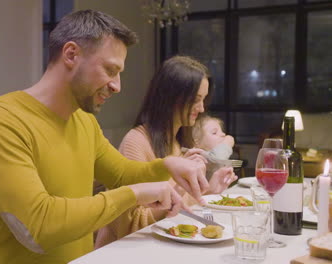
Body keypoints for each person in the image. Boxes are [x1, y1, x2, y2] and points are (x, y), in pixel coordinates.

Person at [0, 11, 209, 264]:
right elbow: (39, 227)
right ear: (71, 54)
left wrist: (167, 165)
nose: (117, 86)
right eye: (110, 70)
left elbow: (122, 173)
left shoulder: (84, 121)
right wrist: (134, 194)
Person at [95, 56, 237, 248]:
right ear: (171, 98)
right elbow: (128, 226)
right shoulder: (136, 142)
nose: (202, 108)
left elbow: (182, 210)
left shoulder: (179, 143)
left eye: (203, 100)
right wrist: (176, 191)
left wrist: (210, 190)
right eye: (196, 100)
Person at [191, 114, 235, 180]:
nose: (223, 134)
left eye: (222, 131)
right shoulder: (198, 156)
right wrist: (226, 144)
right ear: (197, 142)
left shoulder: (216, 153)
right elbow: (217, 160)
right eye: (214, 133)